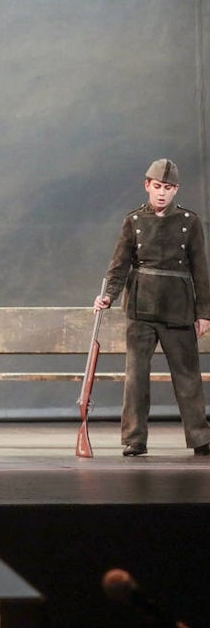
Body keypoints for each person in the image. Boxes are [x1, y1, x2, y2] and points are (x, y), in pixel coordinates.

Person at [95, 158, 210, 456]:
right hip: (140, 308)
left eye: (168, 188)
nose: (162, 193)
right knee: (136, 377)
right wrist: (108, 294)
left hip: (178, 307)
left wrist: (204, 313)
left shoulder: (190, 222)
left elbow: (201, 270)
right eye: (157, 186)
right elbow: (119, 264)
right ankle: (134, 438)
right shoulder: (133, 221)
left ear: (176, 190)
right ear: (147, 185)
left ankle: (200, 437)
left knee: (187, 376)